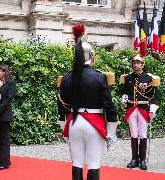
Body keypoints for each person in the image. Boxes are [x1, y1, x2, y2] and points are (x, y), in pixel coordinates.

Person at [58, 24, 118, 180]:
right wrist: (111, 133)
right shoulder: (99, 77)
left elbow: (61, 105)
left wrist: (63, 126)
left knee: (77, 162)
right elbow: (109, 106)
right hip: (94, 123)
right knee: (93, 163)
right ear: (91, 56)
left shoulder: (66, 77)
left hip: (74, 122)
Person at [121, 54, 159, 170]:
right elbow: (125, 92)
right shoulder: (128, 78)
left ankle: (142, 160)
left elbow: (153, 96)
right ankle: (134, 159)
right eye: (134, 63)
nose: (135, 64)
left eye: (138, 63)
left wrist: (152, 109)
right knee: (133, 134)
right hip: (132, 108)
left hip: (143, 109)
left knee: (142, 134)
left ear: (142, 65)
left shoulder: (149, 78)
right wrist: (124, 99)